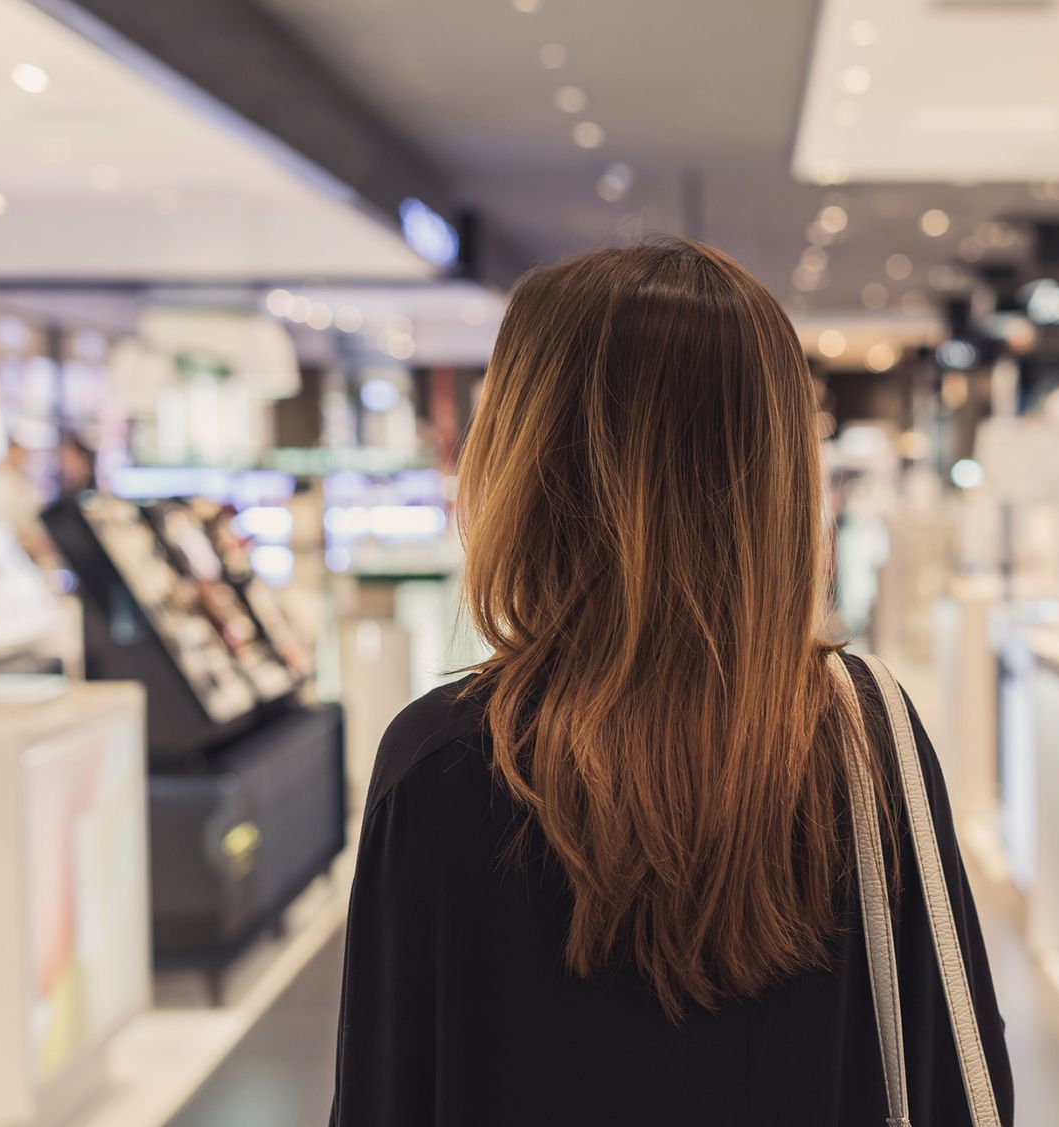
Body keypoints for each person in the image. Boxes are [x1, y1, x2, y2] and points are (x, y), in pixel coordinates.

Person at [330, 237, 1014, 1126]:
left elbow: (389, 1091)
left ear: (527, 463)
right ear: (776, 472)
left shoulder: (444, 764)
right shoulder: (862, 731)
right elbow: (955, 1068)